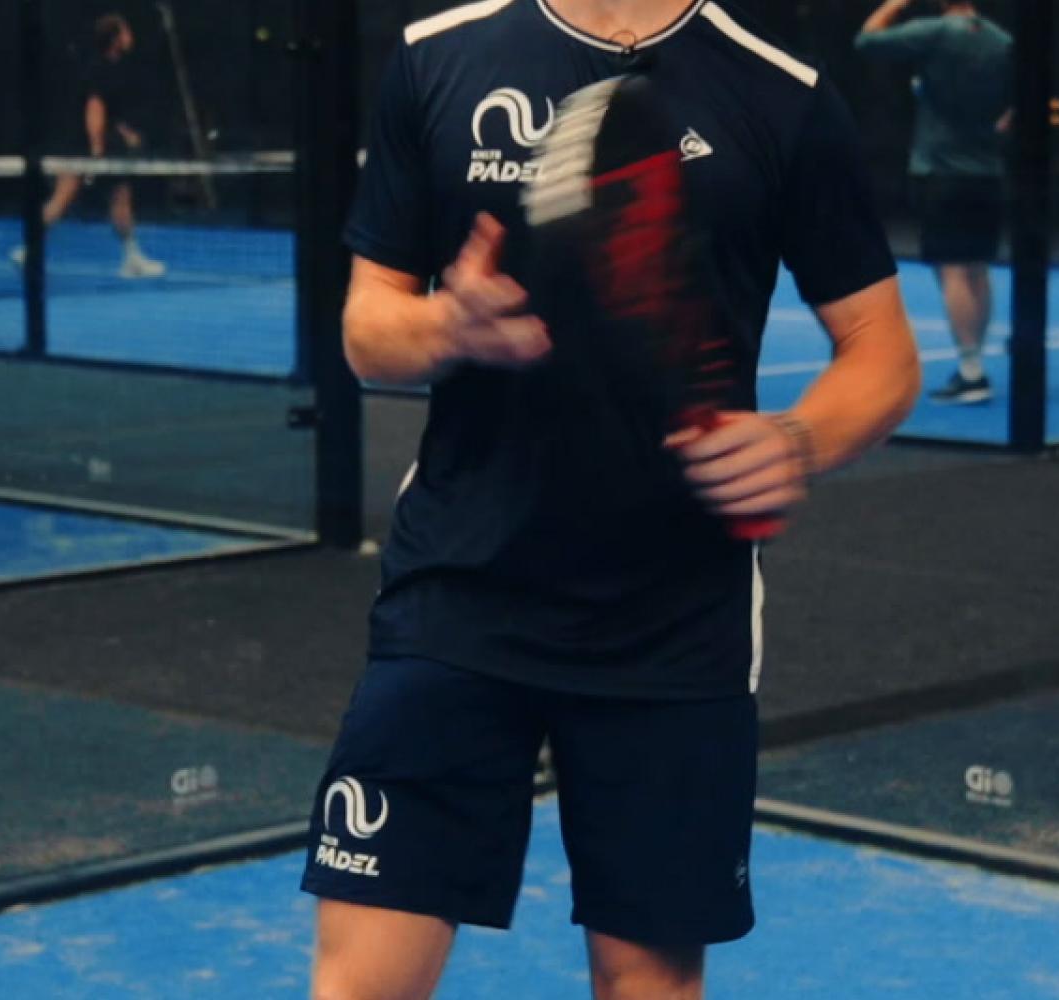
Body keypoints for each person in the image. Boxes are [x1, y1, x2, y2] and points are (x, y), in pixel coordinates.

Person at [302, 2, 920, 998]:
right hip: (460, 592)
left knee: (649, 981)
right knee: (361, 983)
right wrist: (448, 325)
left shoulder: (783, 96)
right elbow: (368, 328)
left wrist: (798, 440)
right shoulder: (438, 60)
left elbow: (882, 351)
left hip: (674, 618)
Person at [856, 0, 1013, 404]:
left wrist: (895, 3)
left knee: (954, 271)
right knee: (977, 268)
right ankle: (974, 362)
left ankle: (971, 372)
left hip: (942, 173)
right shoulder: (1001, 40)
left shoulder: (936, 32)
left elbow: (866, 41)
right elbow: (1025, 94)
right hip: (987, 173)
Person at [12, 13, 166, 279]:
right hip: (84, 148)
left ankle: (132, 259)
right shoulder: (100, 69)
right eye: (126, 32)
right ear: (115, 39)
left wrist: (125, 133)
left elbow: (109, 113)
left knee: (120, 199)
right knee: (63, 200)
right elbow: (94, 109)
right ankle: (27, 250)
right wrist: (96, 151)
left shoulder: (113, 68)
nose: (130, 36)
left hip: (102, 146)